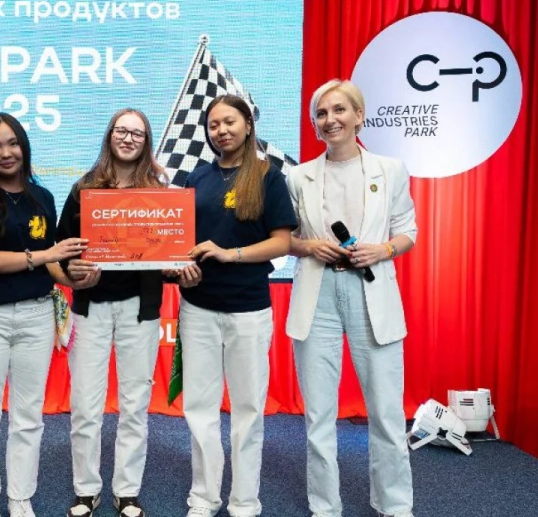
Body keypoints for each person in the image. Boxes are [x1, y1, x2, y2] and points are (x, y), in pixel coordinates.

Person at [285, 79, 417, 517]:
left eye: (339, 110)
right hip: (317, 295)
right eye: (321, 114)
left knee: (387, 412)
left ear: (359, 115)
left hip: (371, 291)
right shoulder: (298, 176)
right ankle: (325, 507)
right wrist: (309, 246)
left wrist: (383, 250)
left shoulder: (390, 169)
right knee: (318, 416)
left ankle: (395, 506)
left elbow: (408, 230)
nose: (330, 120)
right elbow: (287, 239)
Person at [0, 112, 97, 517]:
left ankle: (20, 496)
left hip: (37, 317)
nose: (6, 153)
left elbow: (52, 265)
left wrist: (77, 279)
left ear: (24, 147)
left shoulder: (43, 198)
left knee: (29, 417)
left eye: (13, 143)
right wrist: (44, 255)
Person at [171, 95, 297, 517]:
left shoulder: (267, 176)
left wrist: (231, 255)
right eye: (213, 125)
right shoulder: (196, 177)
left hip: (248, 310)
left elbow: (282, 242)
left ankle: (244, 502)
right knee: (199, 409)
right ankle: (203, 498)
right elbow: (181, 242)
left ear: (247, 124)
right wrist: (180, 269)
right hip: (198, 308)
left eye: (229, 122)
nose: (221, 130)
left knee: (247, 410)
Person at [56, 109, 167, 517]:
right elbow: (62, 247)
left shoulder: (160, 192)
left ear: (146, 141)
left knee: (135, 405)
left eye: (137, 133)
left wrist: (178, 265)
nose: (128, 138)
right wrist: (73, 270)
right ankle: (86, 490)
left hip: (141, 308)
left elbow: (170, 247)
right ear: (110, 136)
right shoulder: (84, 188)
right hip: (91, 307)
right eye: (122, 130)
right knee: (85, 405)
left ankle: (127, 491)